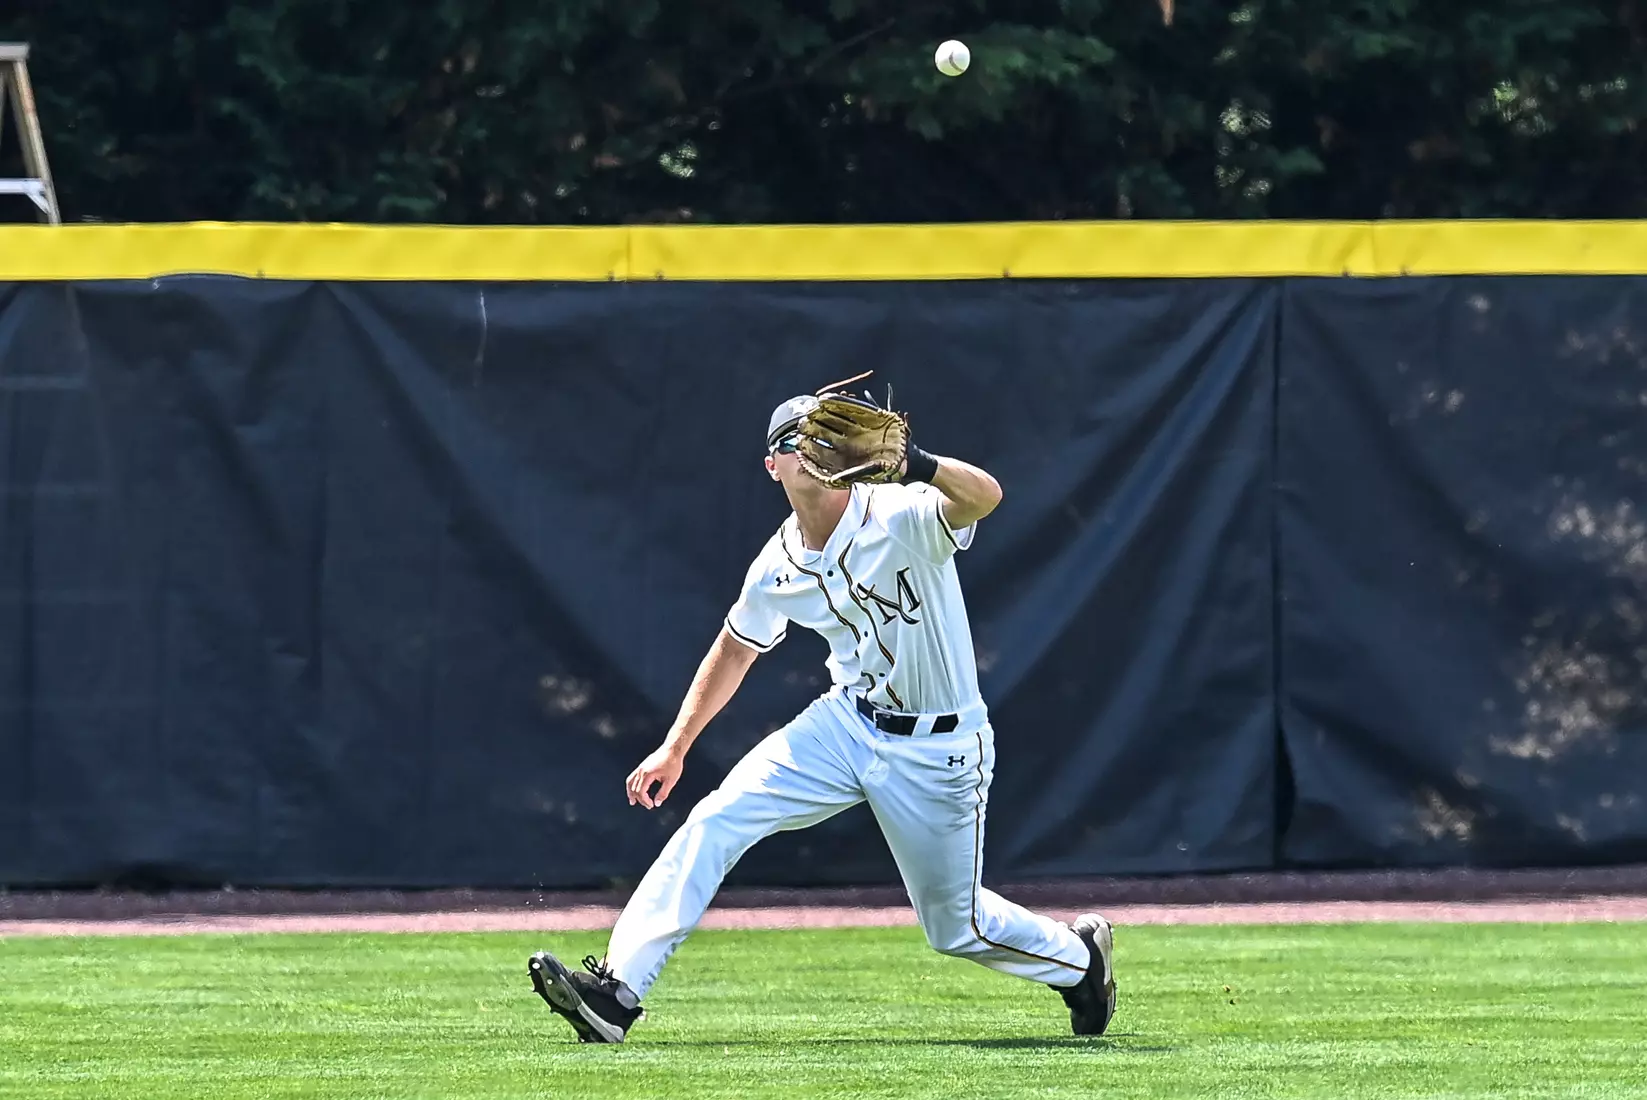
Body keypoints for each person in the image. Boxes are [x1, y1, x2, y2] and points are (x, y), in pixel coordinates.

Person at [527, 389, 1117, 1043]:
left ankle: (1080, 961)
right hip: (844, 723)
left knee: (954, 927)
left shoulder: (899, 514)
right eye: (790, 442)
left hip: (938, 745)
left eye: (817, 439)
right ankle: (616, 994)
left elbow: (984, 497)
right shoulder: (777, 564)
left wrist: (917, 463)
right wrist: (675, 746)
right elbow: (734, 646)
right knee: (717, 818)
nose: (804, 451)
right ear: (770, 467)